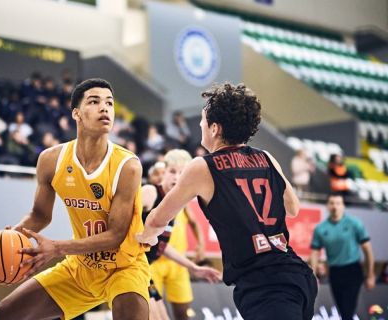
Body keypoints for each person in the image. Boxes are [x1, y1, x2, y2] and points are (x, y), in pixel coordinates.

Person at [137, 82, 317, 320]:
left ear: (214, 128)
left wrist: (142, 239)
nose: (200, 125)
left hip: (264, 286)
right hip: (297, 275)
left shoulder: (203, 166)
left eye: (202, 120)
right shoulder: (267, 158)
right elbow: (292, 209)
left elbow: (157, 220)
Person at [0, 78, 150, 320]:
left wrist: (57, 248)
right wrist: (6, 237)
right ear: (76, 113)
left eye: (109, 103)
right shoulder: (51, 160)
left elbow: (115, 235)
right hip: (81, 268)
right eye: (94, 101)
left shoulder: (128, 165)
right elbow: (40, 215)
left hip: (124, 268)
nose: (105, 108)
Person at [141, 149, 220, 320]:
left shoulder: (174, 204)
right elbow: (117, 218)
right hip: (131, 269)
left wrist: (193, 267)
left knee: (163, 317)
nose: (177, 178)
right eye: (172, 172)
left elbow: (162, 246)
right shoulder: (150, 191)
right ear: (163, 172)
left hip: (143, 272)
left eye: (182, 173)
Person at [310, 193, 375, 320]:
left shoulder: (354, 223)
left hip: (353, 270)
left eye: (338, 203)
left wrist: (371, 275)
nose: (335, 206)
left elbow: (368, 250)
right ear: (328, 206)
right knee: (342, 308)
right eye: (332, 203)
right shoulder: (321, 228)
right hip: (334, 272)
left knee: (347, 310)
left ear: (343, 206)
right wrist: (313, 276)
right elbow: (314, 252)